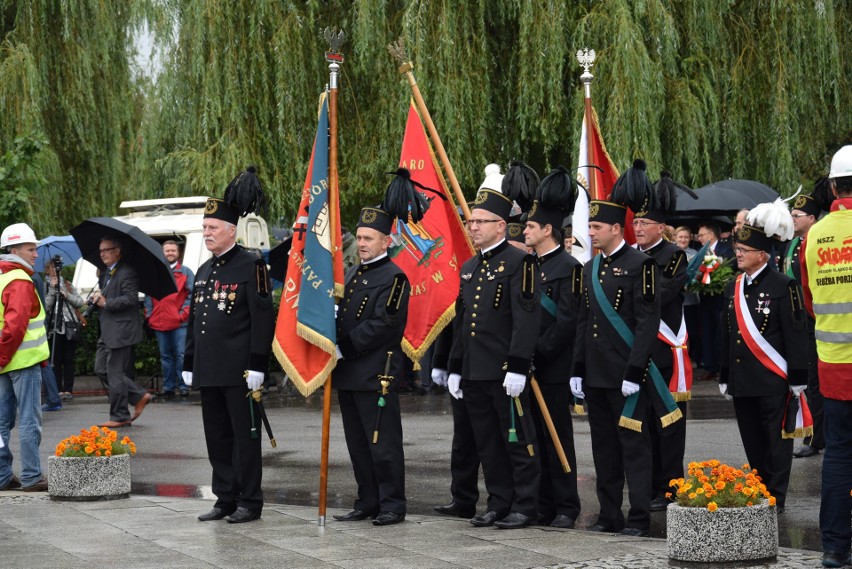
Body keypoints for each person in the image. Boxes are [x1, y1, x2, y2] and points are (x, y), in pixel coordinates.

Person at [570, 162, 665, 538]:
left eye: (595, 227)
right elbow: (583, 322)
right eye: (589, 227)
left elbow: (647, 323)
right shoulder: (591, 268)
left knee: (634, 448)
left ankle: (639, 517)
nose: (590, 233)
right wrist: (577, 369)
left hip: (626, 377)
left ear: (614, 228)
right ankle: (610, 514)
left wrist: (634, 371)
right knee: (603, 449)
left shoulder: (642, 265)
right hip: (595, 375)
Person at [447, 181, 542, 530]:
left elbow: (526, 317)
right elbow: (463, 322)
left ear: (501, 226)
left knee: (517, 440)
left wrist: (518, 366)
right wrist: (455, 366)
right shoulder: (471, 267)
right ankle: (499, 502)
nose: (473, 227)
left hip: (505, 371)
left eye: (480, 222)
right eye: (471, 222)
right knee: (487, 444)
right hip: (475, 371)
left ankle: (526, 504)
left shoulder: (521, 262)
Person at [185, 167, 274, 524]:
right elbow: (196, 320)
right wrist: (189, 361)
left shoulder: (252, 265)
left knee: (244, 438)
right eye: (205, 228)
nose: (206, 233)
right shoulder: (204, 270)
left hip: (240, 371)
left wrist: (258, 365)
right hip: (210, 370)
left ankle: (250, 501)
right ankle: (225, 497)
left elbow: (263, 319)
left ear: (231, 231)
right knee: (218, 439)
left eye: (212, 228)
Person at [719, 201, 807, 514]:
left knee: (776, 444)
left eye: (744, 249)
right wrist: (724, 375)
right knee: (753, 442)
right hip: (743, 380)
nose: (738, 253)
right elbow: (729, 335)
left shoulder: (785, 285)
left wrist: (798, 376)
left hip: (773, 380)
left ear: (762, 255)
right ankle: (759, 491)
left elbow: (795, 333)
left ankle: (776, 498)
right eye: (737, 248)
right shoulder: (733, 286)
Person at [333, 199, 411, 527]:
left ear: (386, 242)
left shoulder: (395, 277)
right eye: (360, 238)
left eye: (369, 239)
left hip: (376, 372)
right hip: (348, 373)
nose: (362, 244)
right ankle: (367, 500)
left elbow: (384, 324)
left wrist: (343, 346)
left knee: (383, 443)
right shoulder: (351, 273)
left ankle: (392, 504)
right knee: (358, 444)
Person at [800, 145, 852, 569]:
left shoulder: (815, 234)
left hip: (833, 365)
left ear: (833, 185)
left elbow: (811, 301)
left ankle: (834, 549)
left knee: (837, 456)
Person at [523, 167, 583, 529]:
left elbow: (567, 321)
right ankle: (543, 502)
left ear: (548, 230)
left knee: (557, 436)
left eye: (531, 226)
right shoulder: (528, 266)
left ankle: (566, 505)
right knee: (534, 439)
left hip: (552, 367)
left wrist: (536, 353)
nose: (525, 230)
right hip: (526, 368)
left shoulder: (570, 268)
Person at [633, 173, 690, 512]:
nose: (638, 227)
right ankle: (648, 483)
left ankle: (669, 487)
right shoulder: (631, 255)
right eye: (636, 221)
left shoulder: (673, 255)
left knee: (668, 423)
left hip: (664, 351)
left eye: (645, 222)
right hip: (637, 349)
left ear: (660, 227)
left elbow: (661, 295)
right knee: (643, 424)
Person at [0, 223, 51, 492]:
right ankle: (32, 476)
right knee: (30, 420)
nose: (35, 254)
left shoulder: (2, 276)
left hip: (5, 362)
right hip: (22, 360)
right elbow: (16, 325)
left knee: (1, 422)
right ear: (15, 249)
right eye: (31, 249)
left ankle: (2, 476)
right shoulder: (19, 280)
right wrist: (4, 356)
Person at [780, 189, 825, 460]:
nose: (792, 219)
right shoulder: (794, 243)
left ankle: (817, 438)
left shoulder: (816, 242)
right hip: (799, 321)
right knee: (808, 381)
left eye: (797, 216)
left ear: (811, 217)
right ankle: (815, 433)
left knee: (816, 382)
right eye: (791, 215)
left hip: (814, 319)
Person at [92, 236, 151, 427]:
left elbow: (130, 299)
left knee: (115, 374)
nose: (102, 254)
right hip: (108, 329)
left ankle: (119, 415)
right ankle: (138, 395)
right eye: (101, 251)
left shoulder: (127, 272)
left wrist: (107, 303)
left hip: (121, 330)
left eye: (106, 250)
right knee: (101, 369)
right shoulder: (107, 272)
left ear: (117, 251)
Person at [144, 240, 194, 400]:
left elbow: (192, 296)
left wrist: (182, 314)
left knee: (180, 355)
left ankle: (184, 386)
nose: (170, 253)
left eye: (173, 250)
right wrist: (150, 315)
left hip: (180, 323)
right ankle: (168, 387)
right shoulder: (155, 273)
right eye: (167, 251)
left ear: (178, 253)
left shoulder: (186, 272)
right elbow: (148, 297)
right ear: (163, 253)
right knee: (165, 357)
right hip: (159, 322)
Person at [696, 222, 733, 381]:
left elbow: (730, 271)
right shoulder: (700, 252)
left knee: (721, 332)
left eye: (701, 235)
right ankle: (710, 367)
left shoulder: (726, 251)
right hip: (705, 299)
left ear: (711, 235)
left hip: (721, 298)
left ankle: (722, 367)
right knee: (707, 332)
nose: (699, 239)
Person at [44, 260, 85, 400]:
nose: (54, 270)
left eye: (56, 268)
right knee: (55, 359)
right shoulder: (44, 285)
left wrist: (66, 295)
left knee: (69, 359)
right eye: (51, 268)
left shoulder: (67, 284)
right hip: (52, 327)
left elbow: (80, 302)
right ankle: (57, 390)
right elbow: (45, 307)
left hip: (69, 325)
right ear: (47, 270)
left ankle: (68, 390)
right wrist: (52, 289)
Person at [674, 226, 702, 381]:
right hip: (676, 300)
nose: (683, 240)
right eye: (680, 237)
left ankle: (692, 357)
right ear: (675, 238)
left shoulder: (695, 254)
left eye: (686, 237)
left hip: (691, 298)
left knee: (692, 331)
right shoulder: (671, 253)